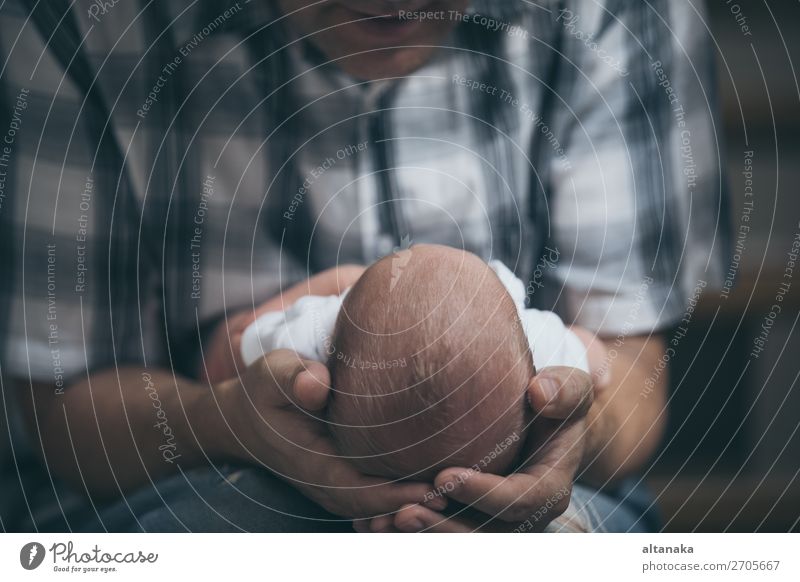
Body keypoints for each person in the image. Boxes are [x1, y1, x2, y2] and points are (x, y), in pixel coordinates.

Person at [0, 0, 727, 532]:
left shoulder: (621, 13)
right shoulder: (78, 21)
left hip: (546, 494)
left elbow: (624, 382)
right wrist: (218, 420)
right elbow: (63, 412)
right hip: (197, 479)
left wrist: (572, 433)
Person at [226, 244, 590, 481]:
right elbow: (590, 359)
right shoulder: (536, 338)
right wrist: (580, 342)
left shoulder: (320, 330)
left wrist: (336, 281)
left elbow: (245, 339)